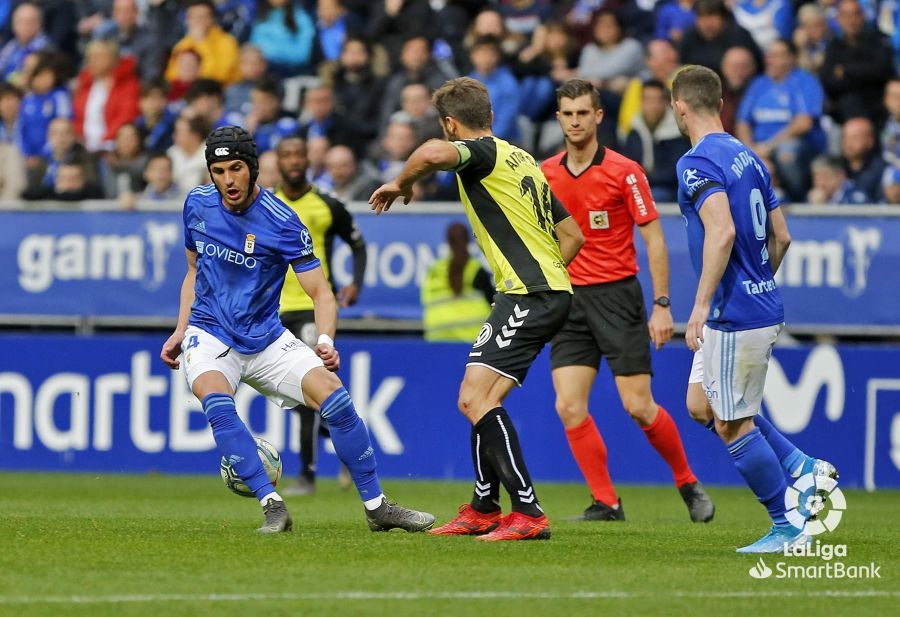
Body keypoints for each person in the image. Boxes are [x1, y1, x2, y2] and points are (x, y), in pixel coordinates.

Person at [160, 125, 434, 534]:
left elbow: (322, 293)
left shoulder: (282, 222)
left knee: (336, 400)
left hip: (266, 338)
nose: (228, 180)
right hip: (210, 331)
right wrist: (181, 329)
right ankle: (273, 506)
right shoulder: (197, 204)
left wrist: (325, 340)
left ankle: (377, 507)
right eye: (218, 171)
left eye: (236, 168)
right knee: (217, 403)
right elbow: (193, 270)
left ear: (252, 168)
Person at [370, 77, 585, 541]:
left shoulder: (481, 153)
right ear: (490, 114)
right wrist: (546, 276)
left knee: (475, 400)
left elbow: (432, 154)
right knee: (477, 397)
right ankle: (484, 507)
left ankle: (528, 512)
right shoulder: (522, 159)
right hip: (538, 290)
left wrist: (401, 182)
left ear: (451, 124)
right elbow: (573, 235)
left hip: (529, 293)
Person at [671, 65, 837, 552]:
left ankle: (790, 526)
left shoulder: (696, 162)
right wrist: (759, 281)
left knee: (731, 423)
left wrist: (702, 303)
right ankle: (802, 465)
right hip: (756, 302)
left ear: (679, 107)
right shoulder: (749, 156)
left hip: (732, 313)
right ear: (721, 104)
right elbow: (782, 236)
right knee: (701, 405)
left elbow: (721, 231)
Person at [541, 79, 712, 523]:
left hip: (617, 296)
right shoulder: (545, 174)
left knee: (637, 405)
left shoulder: (625, 171)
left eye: (583, 113)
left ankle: (687, 482)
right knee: (568, 406)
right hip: (569, 301)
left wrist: (662, 304)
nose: (575, 121)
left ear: (599, 116)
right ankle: (606, 502)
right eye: (567, 114)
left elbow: (654, 239)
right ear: (558, 118)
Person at [274, 135, 368, 497]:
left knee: (308, 387)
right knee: (296, 393)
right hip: (274, 311)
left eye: (299, 154)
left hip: (314, 307)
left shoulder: (328, 204)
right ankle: (342, 437)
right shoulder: (267, 204)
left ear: (308, 160)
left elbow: (357, 244)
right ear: (278, 161)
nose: (294, 161)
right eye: (287, 155)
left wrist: (355, 283)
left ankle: (307, 476)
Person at [735, 39, 826, 202]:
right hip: (759, 148)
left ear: (791, 59)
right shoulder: (758, 84)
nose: (770, 60)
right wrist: (751, 151)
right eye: (769, 55)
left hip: (795, 145)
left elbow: (804, 122)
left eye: (776, 56)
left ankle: (797, 197)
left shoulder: (804, 82)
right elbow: (743, 122)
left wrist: (769, 147)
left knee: (787, 152)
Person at [422, 222, 494, 342]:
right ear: (469, 240)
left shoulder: (434, 271)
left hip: (437, 339)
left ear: (448, 242)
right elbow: (494, 305)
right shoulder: (476, 270)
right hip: (472, 341)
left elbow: (425, 299)